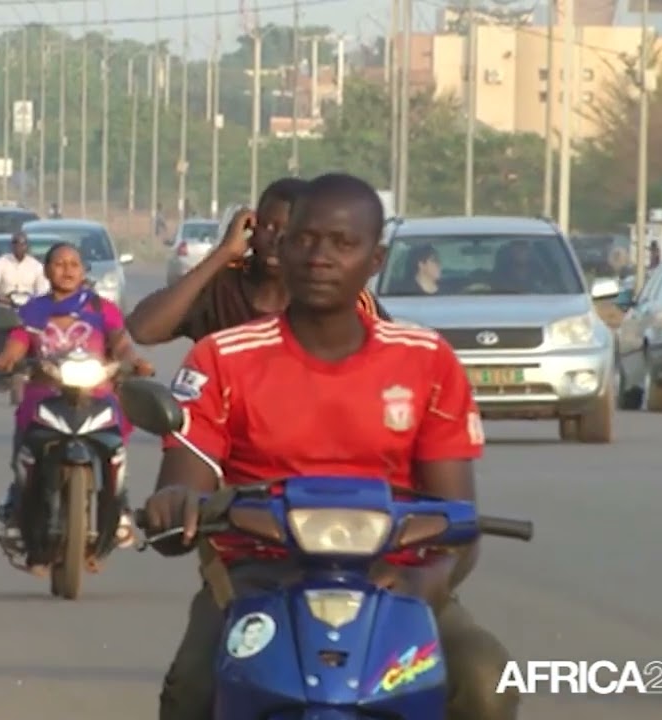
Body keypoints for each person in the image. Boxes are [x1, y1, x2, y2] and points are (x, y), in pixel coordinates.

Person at [139, 173, 515, 720]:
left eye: (344, 243)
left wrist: (422, 582)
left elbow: (459, 523)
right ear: (283, 247)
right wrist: (172, 506)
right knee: (193, 690)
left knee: (486, 678)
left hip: (395, 586)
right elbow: (182, 486)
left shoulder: (427, 361)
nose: (321, 257)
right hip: (258, 583)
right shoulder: (222, 359)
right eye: (307, 239)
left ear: (376, 259)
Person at [0, 243, 154, 561]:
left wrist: (135, 361)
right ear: (47, 271)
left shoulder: (101, 308)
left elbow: (120, 343)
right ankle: (16, 508)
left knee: (116, 443)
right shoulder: (33, 311)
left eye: (74, 264)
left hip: (97, 393)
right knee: (26, 447)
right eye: (59, 264)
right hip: (46, 393)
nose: (66, 270)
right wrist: (7, 360)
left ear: (83, 272)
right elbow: (18, 342)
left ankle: (119, 507)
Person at [127, 179, 391, 346]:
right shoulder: (222, 286)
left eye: (291, 232)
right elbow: (144, 330)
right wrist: (222, 253)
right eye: (268, 226)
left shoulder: (338, 297)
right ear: (250, 228)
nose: (276, 239)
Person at [0, 231, 50, 298]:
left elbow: (42, 290)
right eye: (15, 243)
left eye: (22, 244)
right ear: (11, 245)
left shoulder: (36, 266)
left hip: (29, 306)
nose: (19, 247)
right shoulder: (0, 263)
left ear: (27, 246)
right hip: (4, 306)